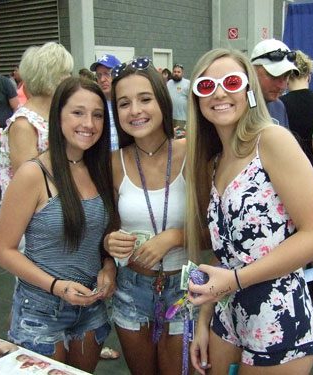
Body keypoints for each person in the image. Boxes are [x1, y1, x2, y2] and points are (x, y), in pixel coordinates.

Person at [185, 48, 313, 374]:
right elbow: (224, 256)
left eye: (231, 82)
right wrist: (203, 322)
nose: (219, 92)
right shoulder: (212, 163)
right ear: (196, 99)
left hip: (277, 318)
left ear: (249, 91)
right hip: (226, 314)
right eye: (206, 86)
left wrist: (235, 280)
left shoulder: (273, 141)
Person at [0, 77, 116, 373]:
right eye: (78, 112)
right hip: (41, 310)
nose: (88, 123)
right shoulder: (34, 174)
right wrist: (56, 286)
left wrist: (109, 266)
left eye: (97, 114)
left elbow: (103, 238)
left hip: (91, 309)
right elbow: (2, 250)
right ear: (58, 115)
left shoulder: (101, 170)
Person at [104, 57, 188, 375]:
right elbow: (107, 227)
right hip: (132, 287)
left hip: (184, 287)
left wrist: (174, 236)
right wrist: (109, 244)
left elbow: (215, 230)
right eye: (124, 103)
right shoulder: (114, 162)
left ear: (162, 101)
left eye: (145, 99)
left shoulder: (190, 152)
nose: (135, 110)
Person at [280, 50, 313, 299]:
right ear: (309, 74)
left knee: (294, 230)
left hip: (288, 176)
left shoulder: (281, 105)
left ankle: (294, 279)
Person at [0, 42, 74, 198]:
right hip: (36, 213)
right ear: (54, 76)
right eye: (67, 73)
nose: (70, 79)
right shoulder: (24, 124)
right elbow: (27, 184)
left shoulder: (55, 114)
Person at [251, 39, 299, 127]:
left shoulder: (279, 107)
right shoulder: (236, 106)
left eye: (286, 76)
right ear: (253, 70)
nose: (282, 86)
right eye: (274, 76)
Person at [90, 54, 121, 151]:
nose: (102, 79)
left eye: (107, 74)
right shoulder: (94, 105)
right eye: (99, 76)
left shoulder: (126, 105)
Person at [166, 63, 190, 139]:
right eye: (175, 71)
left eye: (178, 72)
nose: (176, 73)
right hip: (171, 117)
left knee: (181, 138)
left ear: (182, 73)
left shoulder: (187, 83)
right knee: (172, 137)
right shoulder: (169, 83)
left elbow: (192, 100)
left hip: (182, 118)